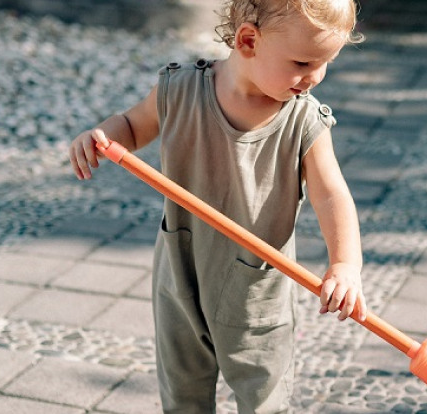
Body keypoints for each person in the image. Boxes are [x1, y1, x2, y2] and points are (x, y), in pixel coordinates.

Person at [67, 0, 366, 412]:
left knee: (263, 397)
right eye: (302, 62)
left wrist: (345, 265)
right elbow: (134, 126)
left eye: (325, 62)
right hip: (180, 273)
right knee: (183, 391)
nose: (314, 78)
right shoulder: (180, 90)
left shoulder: (303, 121)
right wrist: (101, 135)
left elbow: (332, 194)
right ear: (248, 40)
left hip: (255, 293)